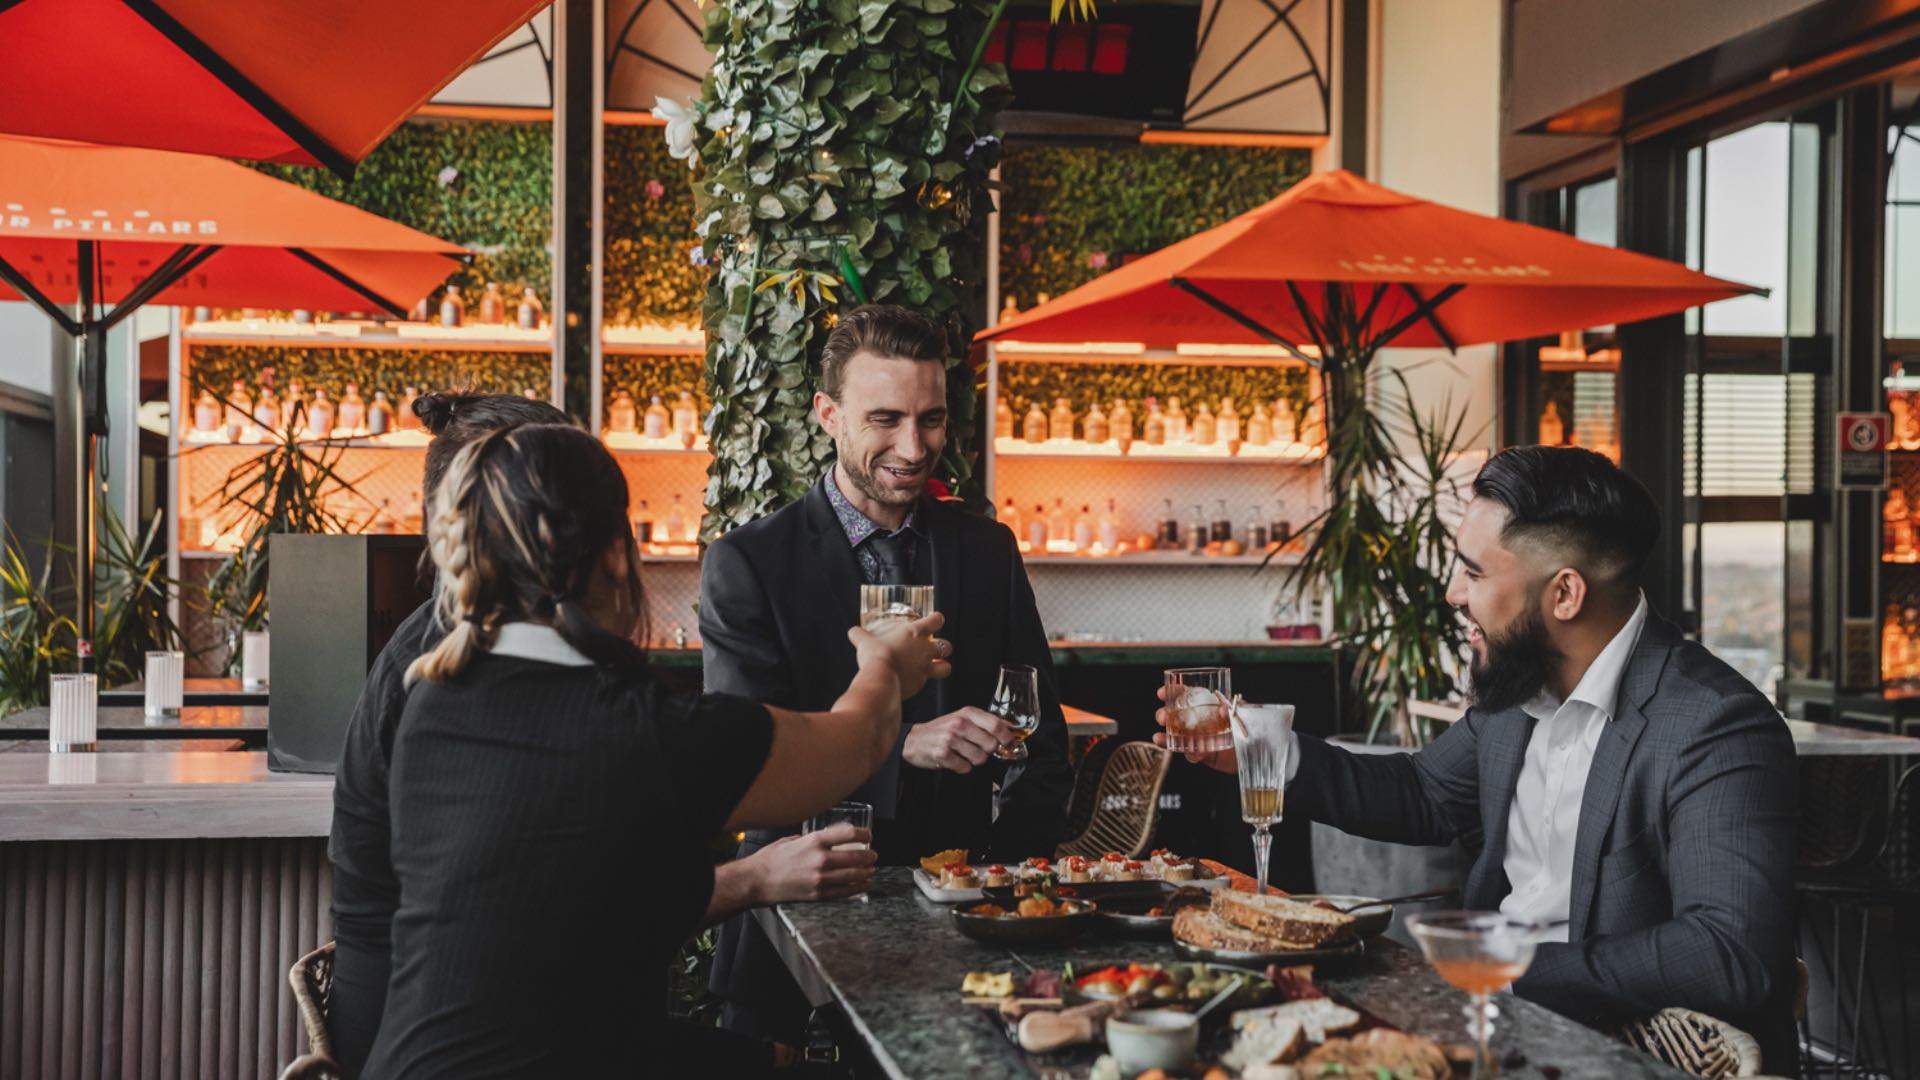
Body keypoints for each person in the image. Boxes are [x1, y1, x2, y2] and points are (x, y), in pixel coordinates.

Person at [1157, 445, 1799, 1073]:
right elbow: (1422, 792)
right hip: (1498, 1026)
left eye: (1475, 572)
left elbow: (1728, 952)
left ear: (1565, 594)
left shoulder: (1713, 724)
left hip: (1627, 1050)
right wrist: (1258, 746)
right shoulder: (1521, 688)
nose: (1452, 593)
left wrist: (1502, 969)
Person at [327, 392, 889, 1078]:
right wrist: (888, 662)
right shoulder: (640, 731)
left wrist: (751, 881)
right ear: (617, 557)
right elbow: (857, 742)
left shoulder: (438, 698)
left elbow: (561, 906)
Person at [702, 304, 1075, 1041]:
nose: (913, 446)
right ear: (828, 415)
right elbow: (744, 764)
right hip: (789, 947)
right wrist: (899, 743)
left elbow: (1045, 746)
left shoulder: (987, 552)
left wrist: (997, 884)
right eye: (885, 419)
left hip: (967, 945)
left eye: (931, 419)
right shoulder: (749, 563)